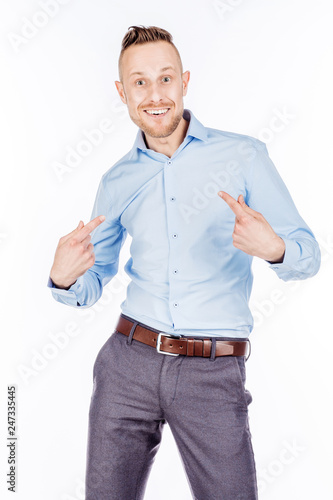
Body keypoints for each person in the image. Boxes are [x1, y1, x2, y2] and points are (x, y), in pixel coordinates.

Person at [47, 25, 321, 500]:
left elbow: (308, 254)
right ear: (122, 92)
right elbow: (94, 280)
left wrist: (273, 247)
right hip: (127, 364)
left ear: (184, 81)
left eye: (165, 78)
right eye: (139, 82)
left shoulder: (244, 156)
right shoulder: (116, 180)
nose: (155, 94)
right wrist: (63, 279)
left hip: (212, 373)